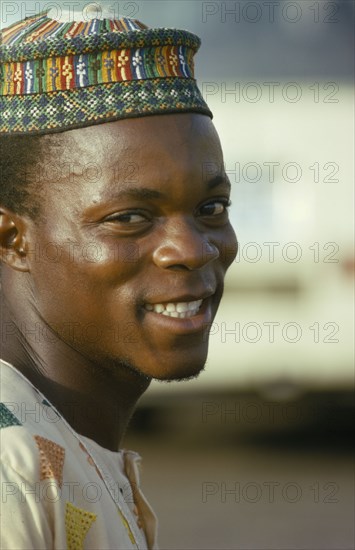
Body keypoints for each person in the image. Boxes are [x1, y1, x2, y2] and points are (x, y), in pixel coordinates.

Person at [0, 5, 238, 549]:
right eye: (130, 218)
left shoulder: (65, 450)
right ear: (12, 239)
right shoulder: (13, 472)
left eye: (211, 208)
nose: (192, 250)